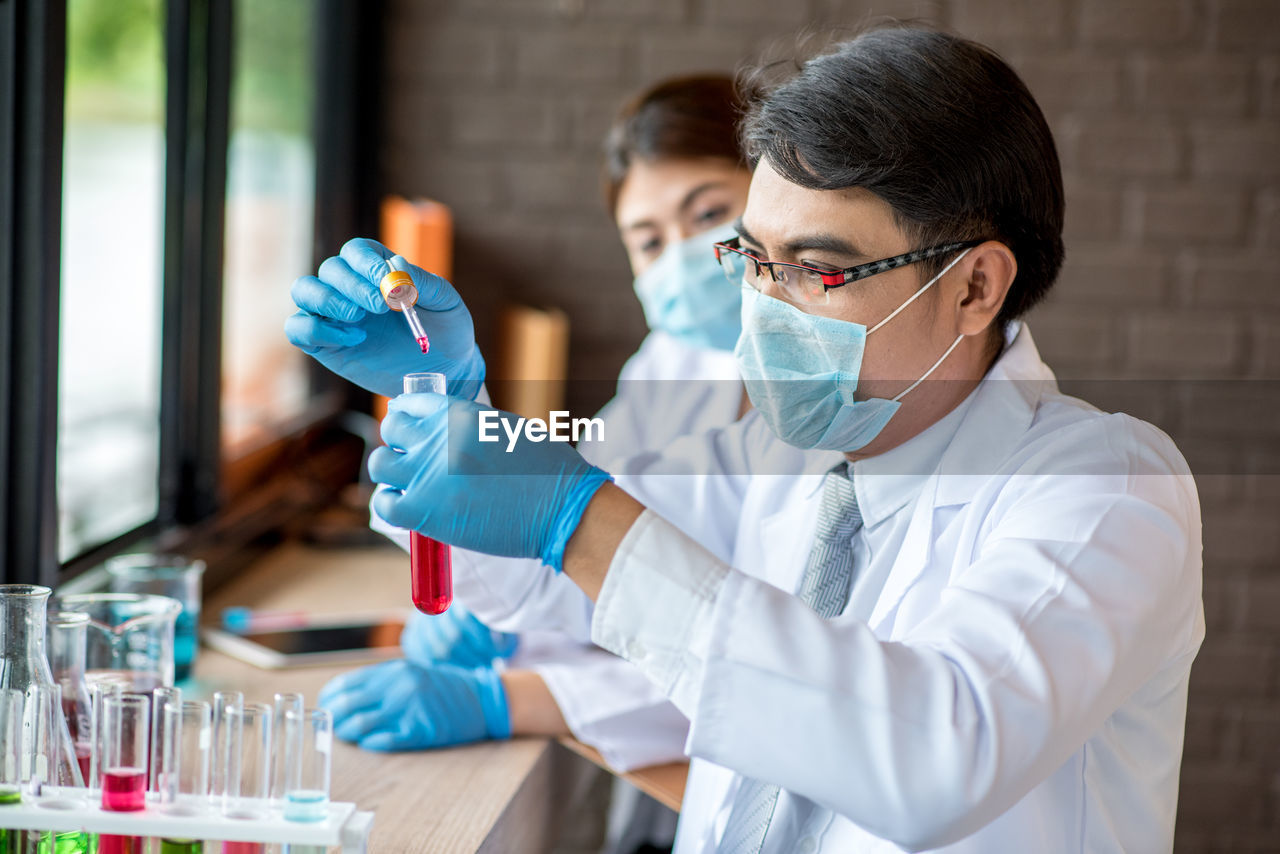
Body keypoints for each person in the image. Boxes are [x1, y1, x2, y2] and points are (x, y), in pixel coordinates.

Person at [288, 24, 1204, 854]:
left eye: (815, 270)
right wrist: (452, 405)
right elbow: (577, 589)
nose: (761, 308)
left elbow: (935, 756)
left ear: (974, 289)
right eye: (753, 259)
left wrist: (574, 514)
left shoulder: (1108, 488)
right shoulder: (783, 461)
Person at [306, 75, 754, 850]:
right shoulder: (666, 366)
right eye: (648, 240)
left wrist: (503, 699)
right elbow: (596, 563)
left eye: (710, 212)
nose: (681, 257)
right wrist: (497, 619)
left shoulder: (834, 410)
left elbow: (744, 658)